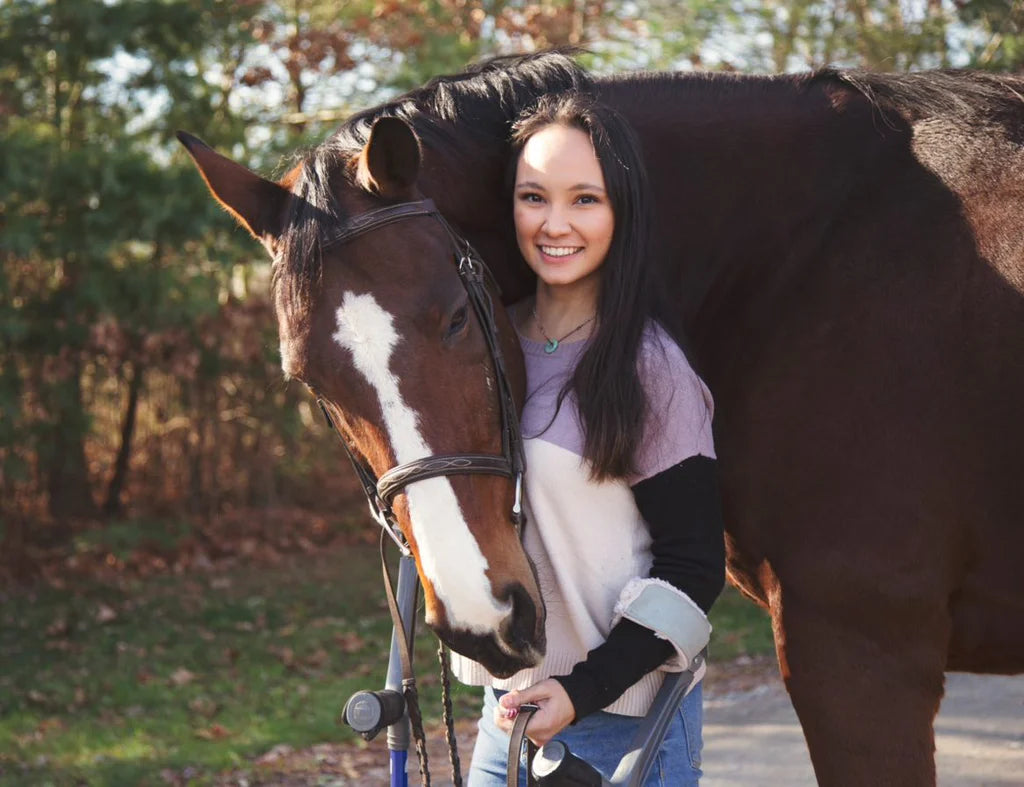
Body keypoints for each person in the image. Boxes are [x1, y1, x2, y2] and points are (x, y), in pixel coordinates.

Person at [449, 91, 726, 786]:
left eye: (585, 200)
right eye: (534, 196)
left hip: (625, 728)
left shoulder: (649, 368)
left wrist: (582, 689)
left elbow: (694, 568)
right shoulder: (482, 346)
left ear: (622, 211)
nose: (555, 223)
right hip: (503, 714)